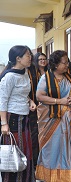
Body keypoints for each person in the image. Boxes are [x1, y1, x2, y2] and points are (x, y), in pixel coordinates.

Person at [35, 50, 71, 181]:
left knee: (66, 147)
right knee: (51, 147)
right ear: (55, 65)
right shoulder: (46, 78)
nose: (67, 65)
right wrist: (60, 101)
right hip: (50, 118)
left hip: (66, 118)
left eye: (67, 62)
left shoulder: (69, 77)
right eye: (64, 63)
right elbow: (40, 96)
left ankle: (66, 176)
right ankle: (50, 176)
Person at [0, 45, 36, 181]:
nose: (30, 57)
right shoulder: (9, 77)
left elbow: (21, 94)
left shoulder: (25, 73)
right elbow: (2, 101)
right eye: (27, 55)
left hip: (24, 118)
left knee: (26, 151)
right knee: (13, 153)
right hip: (12, 119)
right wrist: (4, 123)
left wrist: (30, 101)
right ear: (18, 58)